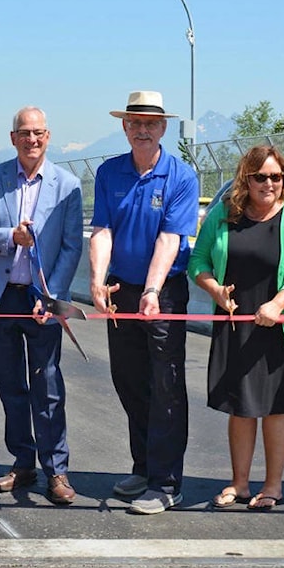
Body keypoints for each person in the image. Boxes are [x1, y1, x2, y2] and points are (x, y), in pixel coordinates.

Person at [0, 106, 84, 505]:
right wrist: (9, 236)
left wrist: (53, 294)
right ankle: (22, 459)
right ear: (13, 138)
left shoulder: (67, 185)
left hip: (41, 297)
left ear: (48, 137)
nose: (32, 140)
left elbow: (70, 245)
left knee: (47, 385)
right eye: (24, 133)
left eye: (39, 133)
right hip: (0, 298)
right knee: (10, 384)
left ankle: (57, 470)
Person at [189, 146, 284, 511]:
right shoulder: (224, 215)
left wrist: (278, 305)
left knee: (277, 408)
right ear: (245, 178)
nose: (269, 184)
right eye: (260, 176)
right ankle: (240, 483)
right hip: (236, 325)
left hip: (280, 327)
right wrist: (213, 288)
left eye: (276, 177)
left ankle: (273, 485)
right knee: (241, 408)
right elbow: (198, 260)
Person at [89, 91, 199, 514]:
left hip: (164, 291)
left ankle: (167, 482)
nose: (142, 130)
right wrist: (98, 281)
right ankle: (144, 466)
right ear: (124, 127)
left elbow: (171, 239)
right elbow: (102, 230)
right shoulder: (109, 172)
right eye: (135, 123)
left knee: (166, 386)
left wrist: (152, 291)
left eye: (150, 124)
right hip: (122, 289)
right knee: (129, 379)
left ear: (163, 128)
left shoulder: (180, 176)